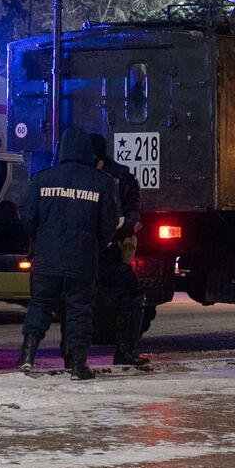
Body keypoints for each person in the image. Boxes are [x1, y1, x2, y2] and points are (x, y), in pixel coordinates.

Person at [17, 128, 119, 379]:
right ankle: (78, 365)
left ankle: (27, 357)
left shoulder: (42, 179)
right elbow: (109, 223)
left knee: (39, 305)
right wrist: (96, 245)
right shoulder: (102, 182)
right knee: (79, 310)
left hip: (47, 256)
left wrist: (40, 239)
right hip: (82, 259)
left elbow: (28, 217)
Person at [91, 133, 150, 368]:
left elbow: (133, 213)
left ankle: (124, 350)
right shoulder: (96, 175)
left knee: (133, 294)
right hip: (89, 250)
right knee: (76, 301)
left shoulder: (121, 177)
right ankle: (73, 356)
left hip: (108, 249)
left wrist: (120, 230)